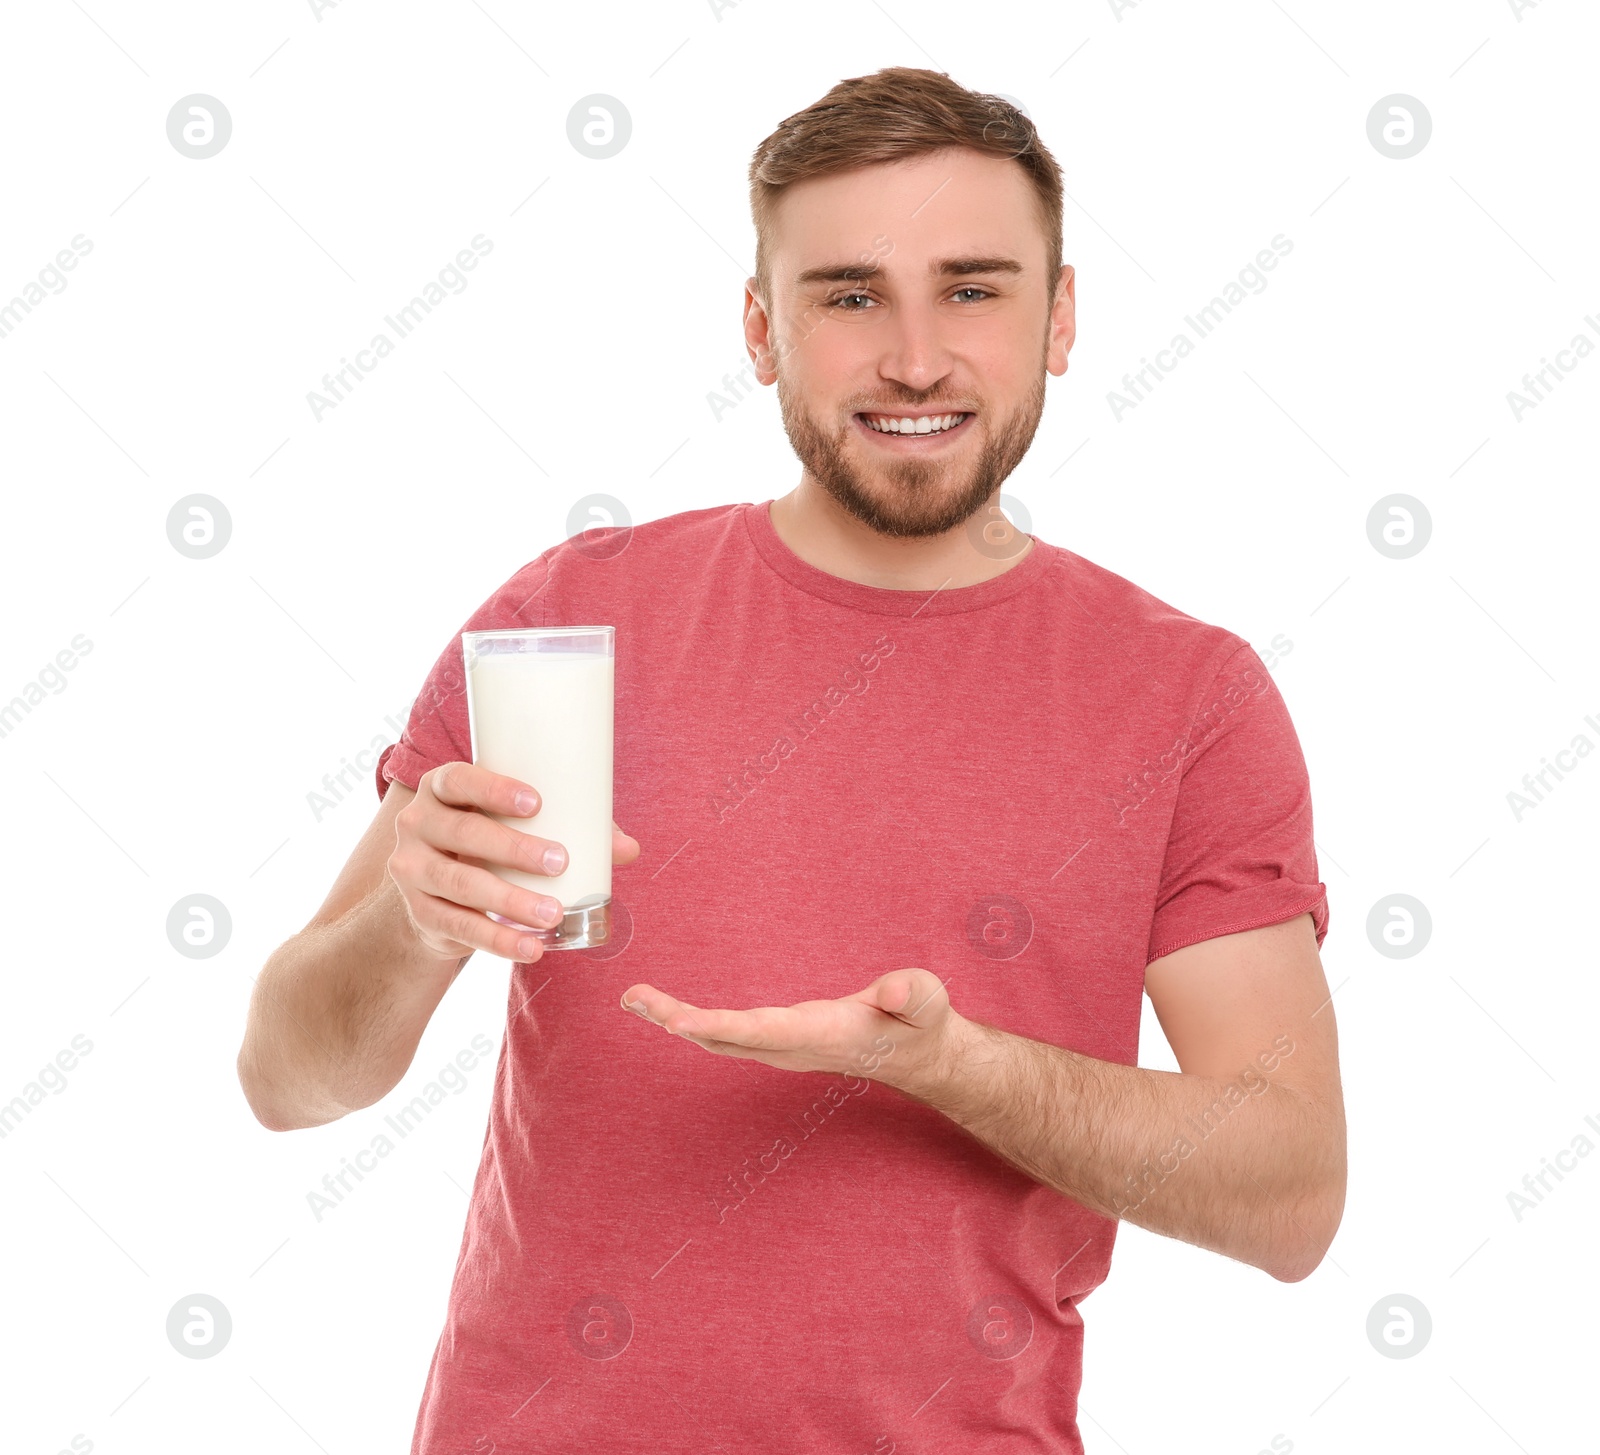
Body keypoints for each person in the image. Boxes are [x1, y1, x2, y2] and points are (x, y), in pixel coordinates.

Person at [237, 65, 1346, 1455]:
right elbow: (288, 1081)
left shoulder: (1189, 696)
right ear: (762, 331)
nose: (917, 357)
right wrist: (410, 920)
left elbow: (1293, 1194)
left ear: (1061, 319)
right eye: (848, 295)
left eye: (975, 288)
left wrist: (957, 1067)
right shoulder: (569, 622)